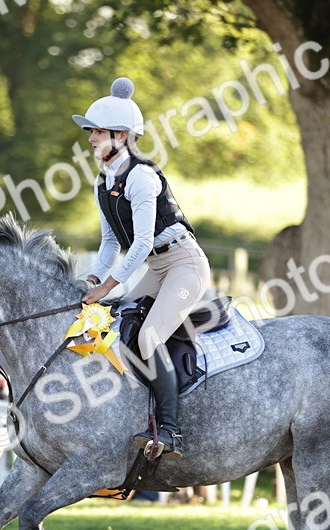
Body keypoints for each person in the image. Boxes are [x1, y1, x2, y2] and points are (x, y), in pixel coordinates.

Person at [75, 77, 211, 459]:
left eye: (96, 132)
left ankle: (171, 432)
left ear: (120, 136)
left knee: (150, 336)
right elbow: (109, 244)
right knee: (119, 330)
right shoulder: (103, 182)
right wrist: (92, 279)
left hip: (184, 265)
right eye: (90, 132)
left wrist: (106, 287)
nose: (90, 139)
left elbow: (143, 242)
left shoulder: (141, 177)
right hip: (154, 267)